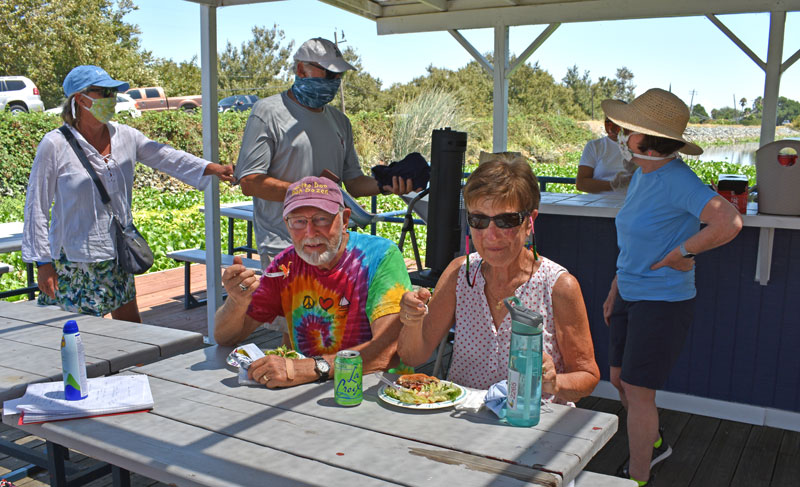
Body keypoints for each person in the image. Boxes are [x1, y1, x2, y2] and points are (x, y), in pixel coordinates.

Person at [600, 89, 742, 486]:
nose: (623, 135)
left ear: (646, 140)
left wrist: (684, 252)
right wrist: (616, 286)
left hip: (661, 301)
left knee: (638, 391)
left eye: (629, 130)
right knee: (617, 379)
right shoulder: (646, 175)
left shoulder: (678, 179)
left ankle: (639, 475)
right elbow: (636, 240)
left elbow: (729, 222)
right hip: (630, 292)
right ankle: (655, 443)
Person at [22, 65, 234, 323]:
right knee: (79, 335)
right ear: (80, 99)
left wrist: (212, 168)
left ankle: (134, 365)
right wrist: (42, 263)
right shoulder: (55, 144)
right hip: (74, 260)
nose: (111, 99)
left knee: (131, 331)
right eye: (103, 92)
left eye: (113, 92)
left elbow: (166, 156)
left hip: (117, 251)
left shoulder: (126, 136)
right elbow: (36, 206)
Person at [396, 154, 600, 406]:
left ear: (530, 222)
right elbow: (414, 354)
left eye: (506, 220)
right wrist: (412, 321)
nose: (491, 235)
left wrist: (555, 381)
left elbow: (587, 377)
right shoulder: (460, 273)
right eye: (479, 220)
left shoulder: (558, 286)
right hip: (464, 421)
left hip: (531, 424)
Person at [214, 176, 412, 388]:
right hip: (307, 389)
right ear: (287, 225)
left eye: (321, 219)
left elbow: (388, 351)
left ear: (345, 220)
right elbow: (224, 337)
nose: (310, 232)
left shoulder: (380, 257)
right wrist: (237, 301)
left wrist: (305, 369)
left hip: (379, 390)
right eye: (299, 221)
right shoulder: (286, 265)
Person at [234, 37, 417, 265]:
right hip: (284, 247)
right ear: (301, 69)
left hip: (332, 247)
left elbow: (353, 183)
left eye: (340, 76)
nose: (336, 81)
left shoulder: (340, 121)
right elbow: (249, 182)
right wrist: (309, 192)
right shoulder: (267, 112)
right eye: (330, 75)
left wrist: (386, 184)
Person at [576, 116, 635, 194]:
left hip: (631, 202)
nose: (611, 128)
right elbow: (581, 184)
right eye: (607, 122)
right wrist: (613, 185)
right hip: (598, 203)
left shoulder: (639, 146)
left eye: (616, 123)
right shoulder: (594, 146)